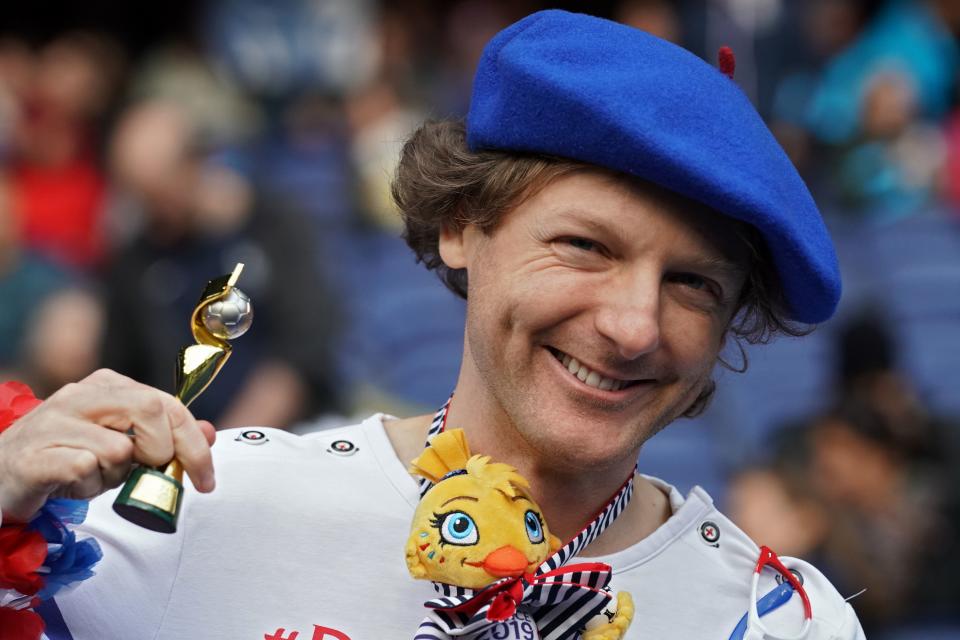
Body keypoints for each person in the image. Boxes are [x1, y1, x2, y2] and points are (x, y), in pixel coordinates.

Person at [0, 10, 865, 639]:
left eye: (693, 285)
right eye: (585, 247)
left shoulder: (784, 623)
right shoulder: (207, 510)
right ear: (460, 226)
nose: (635, 325)